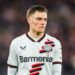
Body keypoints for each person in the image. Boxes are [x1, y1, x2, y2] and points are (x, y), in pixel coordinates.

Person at [7, 5, 62, 75]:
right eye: (39, 19)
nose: (43, 23)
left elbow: (57, 71)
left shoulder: (54, 43)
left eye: (45, 19)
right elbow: (11, 71)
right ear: (29, 20)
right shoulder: (16, 42)